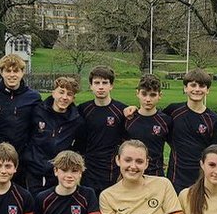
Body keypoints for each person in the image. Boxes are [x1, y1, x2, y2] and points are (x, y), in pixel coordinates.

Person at [162, 68, 217, 192]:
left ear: (207, 90)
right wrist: (132, 109)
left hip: (201, 177)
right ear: (185, 88)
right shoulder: (173, 111)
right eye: (193, 85)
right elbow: (153, 121)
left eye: (202, 86)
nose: (197, 89)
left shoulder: (213, 119)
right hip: (177, 176)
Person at [21, 75, 84, 193]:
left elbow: (79, 145)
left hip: (58, 173)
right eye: (61, 92)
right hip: (33, 170)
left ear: (73, 98)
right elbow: (25, 134)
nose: (64, 97)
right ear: (53, 93)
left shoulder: (77, 121)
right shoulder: (37, 111)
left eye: (69, 94)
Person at [0, 54, 41, 178]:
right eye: (8, 71)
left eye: (16, 71)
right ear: (1, 72)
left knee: (20, 195)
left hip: (22, 156)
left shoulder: (33, 97)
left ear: (22, 72)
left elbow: (37, 127)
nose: (12, 75)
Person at [78, 65, 128, 199]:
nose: (101, 87)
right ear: (91, 86)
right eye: (97, 83)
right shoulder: (82, 110)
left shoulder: (121, 111)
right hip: (89, 169)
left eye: (105, 83)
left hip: (112, 169)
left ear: (111, 86)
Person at [123, 74, 171, 177]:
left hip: (156, 175)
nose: (148, 99)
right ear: (137, 93)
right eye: (144, 94)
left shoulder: (166, 121)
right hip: (131, 174)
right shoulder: (127, 118)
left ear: (160, 95)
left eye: (152, 95)